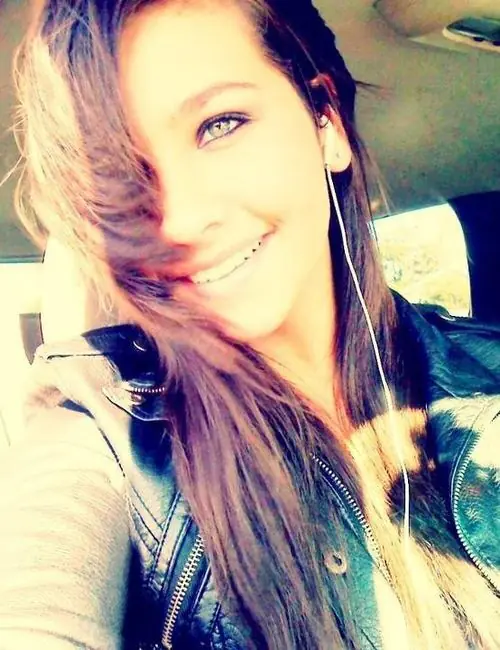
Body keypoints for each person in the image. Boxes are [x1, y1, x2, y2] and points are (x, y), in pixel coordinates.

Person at [1, 0, 499, 648]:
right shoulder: (104, 431)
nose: (180, 221)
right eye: (124, 174)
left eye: (220, 125)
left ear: (326, 122)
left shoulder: (486, 375)